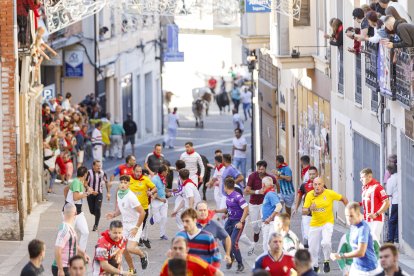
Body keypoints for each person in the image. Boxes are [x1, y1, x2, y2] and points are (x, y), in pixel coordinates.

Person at [303, 176, 348, 273]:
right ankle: (315, 266)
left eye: (319, 184)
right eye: (315, 184)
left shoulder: (329, 193)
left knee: (326, 242)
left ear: (323, 184)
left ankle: (326, 260)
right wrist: (310, 209)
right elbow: (303, 211)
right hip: (315, 224)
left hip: (327, 223)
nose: (317, 186)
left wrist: (349, 211)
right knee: (312, 249)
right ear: (313, 185)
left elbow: (343, 199)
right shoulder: (310, 195)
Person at [105, 175, 148, 273]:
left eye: (125, 183)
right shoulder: (119, 193)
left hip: (135, 224)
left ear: (129, 184)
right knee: (124, 249)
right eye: (121, 182)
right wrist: (114, 214)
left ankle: (143, 255)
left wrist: (136, 228)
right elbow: (121, 208)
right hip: (125, 224)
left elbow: (143, 212)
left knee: (130, 248)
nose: (123, 184)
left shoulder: (131, 197)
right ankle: (132, 269)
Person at [331, 202, 382, 275]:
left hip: (369, 270)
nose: (349, 218)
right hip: (356, 267)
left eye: (351, 216)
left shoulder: (363, 228)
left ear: (358, 215)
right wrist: (346, 270)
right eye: (347, 215)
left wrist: (341, 256)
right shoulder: (353, 227)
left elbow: (361, 252)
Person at [214, 177, 249, 272]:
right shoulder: (228, 196)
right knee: (224, 240)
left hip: (237, 221)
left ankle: (240, 264)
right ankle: (231, 257)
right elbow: (229, 209)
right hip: (229, 221)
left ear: (225, 186)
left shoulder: (237, 196)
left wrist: (241, 222)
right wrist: (218, 211)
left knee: (233, 243)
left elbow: (246, 209)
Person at [245, 160, 278, 244]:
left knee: (264, 222)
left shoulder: (270, 178)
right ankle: (256, 232)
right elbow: (247, 191)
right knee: (254, 225)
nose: (260, 171)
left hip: (265, 204)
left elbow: (276, 184)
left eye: (262, 170)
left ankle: (266, 240)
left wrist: (276, 193)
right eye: (259, 169)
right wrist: (257, 192)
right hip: (254, 203)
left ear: (265, 169)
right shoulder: (252, 176)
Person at [52, 203, 89, 276]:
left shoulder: (69, 228)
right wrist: (60, 269)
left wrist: (83, 253)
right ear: (75, 213)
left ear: (63, 213)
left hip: (68, 267)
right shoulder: (65, 230)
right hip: (63, 267)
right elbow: (57, 249)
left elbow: (73, 244)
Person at [129, 164, 157, 249]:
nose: (138, 173)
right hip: (132, 208)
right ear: (133, 171)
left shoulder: (145, 179)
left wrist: (151, 192)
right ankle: (133, 241)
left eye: (140, 171)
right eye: (137, 171)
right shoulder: (129, 179)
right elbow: (122, 189)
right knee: (132, 225)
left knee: (141, 226)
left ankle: (138, 240)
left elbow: (155, 188)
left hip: (144, 208)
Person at [63, 166, 91, 251]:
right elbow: (75, 197)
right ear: (85, 175)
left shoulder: (77, 182)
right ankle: (66, 253)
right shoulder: (76, 182)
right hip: (70, 213)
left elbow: (66, 189)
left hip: (78, 212)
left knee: (85, 232)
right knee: (69, 235)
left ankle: (81, 252)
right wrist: (86, 193)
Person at [360, 168, 390, 241]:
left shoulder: (378, 187)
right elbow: (369, 201)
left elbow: (387, 203)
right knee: (367, 242)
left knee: (374, 242)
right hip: (367, 220)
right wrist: (358, 204)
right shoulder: (365, 188)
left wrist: (376, 214)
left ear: (369, 177)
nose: (361, 179)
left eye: (362, 177)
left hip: (376, 219)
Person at [292, 166, 319, 248]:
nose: (312, 176)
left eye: (313, 174)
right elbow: (299, 196)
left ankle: (314, 255)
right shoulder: (304, 185)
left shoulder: (322, 185)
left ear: (317, 174)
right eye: (310, 174)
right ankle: (309, 248)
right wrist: (296, 208)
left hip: (317, 213)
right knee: (308, 235)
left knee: (316, 236)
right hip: (306, 212)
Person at [260, 176, 283, 253]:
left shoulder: (270, 194)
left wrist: (270, 217)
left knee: (270, 244)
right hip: (268, 223)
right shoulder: (269, 193)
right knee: (266, 244)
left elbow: (279, 206)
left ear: (263, 185)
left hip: (272, 223)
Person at [85, 160, 109, 231]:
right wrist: (90, 190)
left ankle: (96, 225)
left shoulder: (102, 173)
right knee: (92, 211)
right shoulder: (89, 173)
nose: (99, 167)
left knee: (97, 208)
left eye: (100, 166)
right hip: (90, 194)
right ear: (93, 166)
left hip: (99, 193)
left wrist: (108, 192)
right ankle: (98, 216)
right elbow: (85, 184)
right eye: (97, 166)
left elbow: (106, 182)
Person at [149, 165, 170, 240]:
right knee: (158, 220)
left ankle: (162, 234)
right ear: (163, 172)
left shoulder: (163, 178)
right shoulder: (154, 179)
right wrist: (160, 199)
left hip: (164, 201)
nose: (167, 173)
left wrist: (170, 190)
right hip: (156, 201)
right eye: (166, 171)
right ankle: (154, 218)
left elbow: (162, 189)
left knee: (164, 218)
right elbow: (151, 192)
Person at [171, 160, 187, 230]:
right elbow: (180, 187)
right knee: (178, 212)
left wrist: (172, 194)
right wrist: (176, 189)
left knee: (177, 213)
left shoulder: (181, 175)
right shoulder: (182, 173)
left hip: (183, 196)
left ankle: (182, 229)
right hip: (181, 196)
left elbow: (182, 189)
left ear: (177, 167)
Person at [385, 165, 399, 243]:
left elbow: (389, 193)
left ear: (389, 171)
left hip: (394, 202)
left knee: (392, 220)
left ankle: (391, 238)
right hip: (400, 201)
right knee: (398, 220)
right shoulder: (399, 177)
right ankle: (397, 237)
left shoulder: (390, 180)